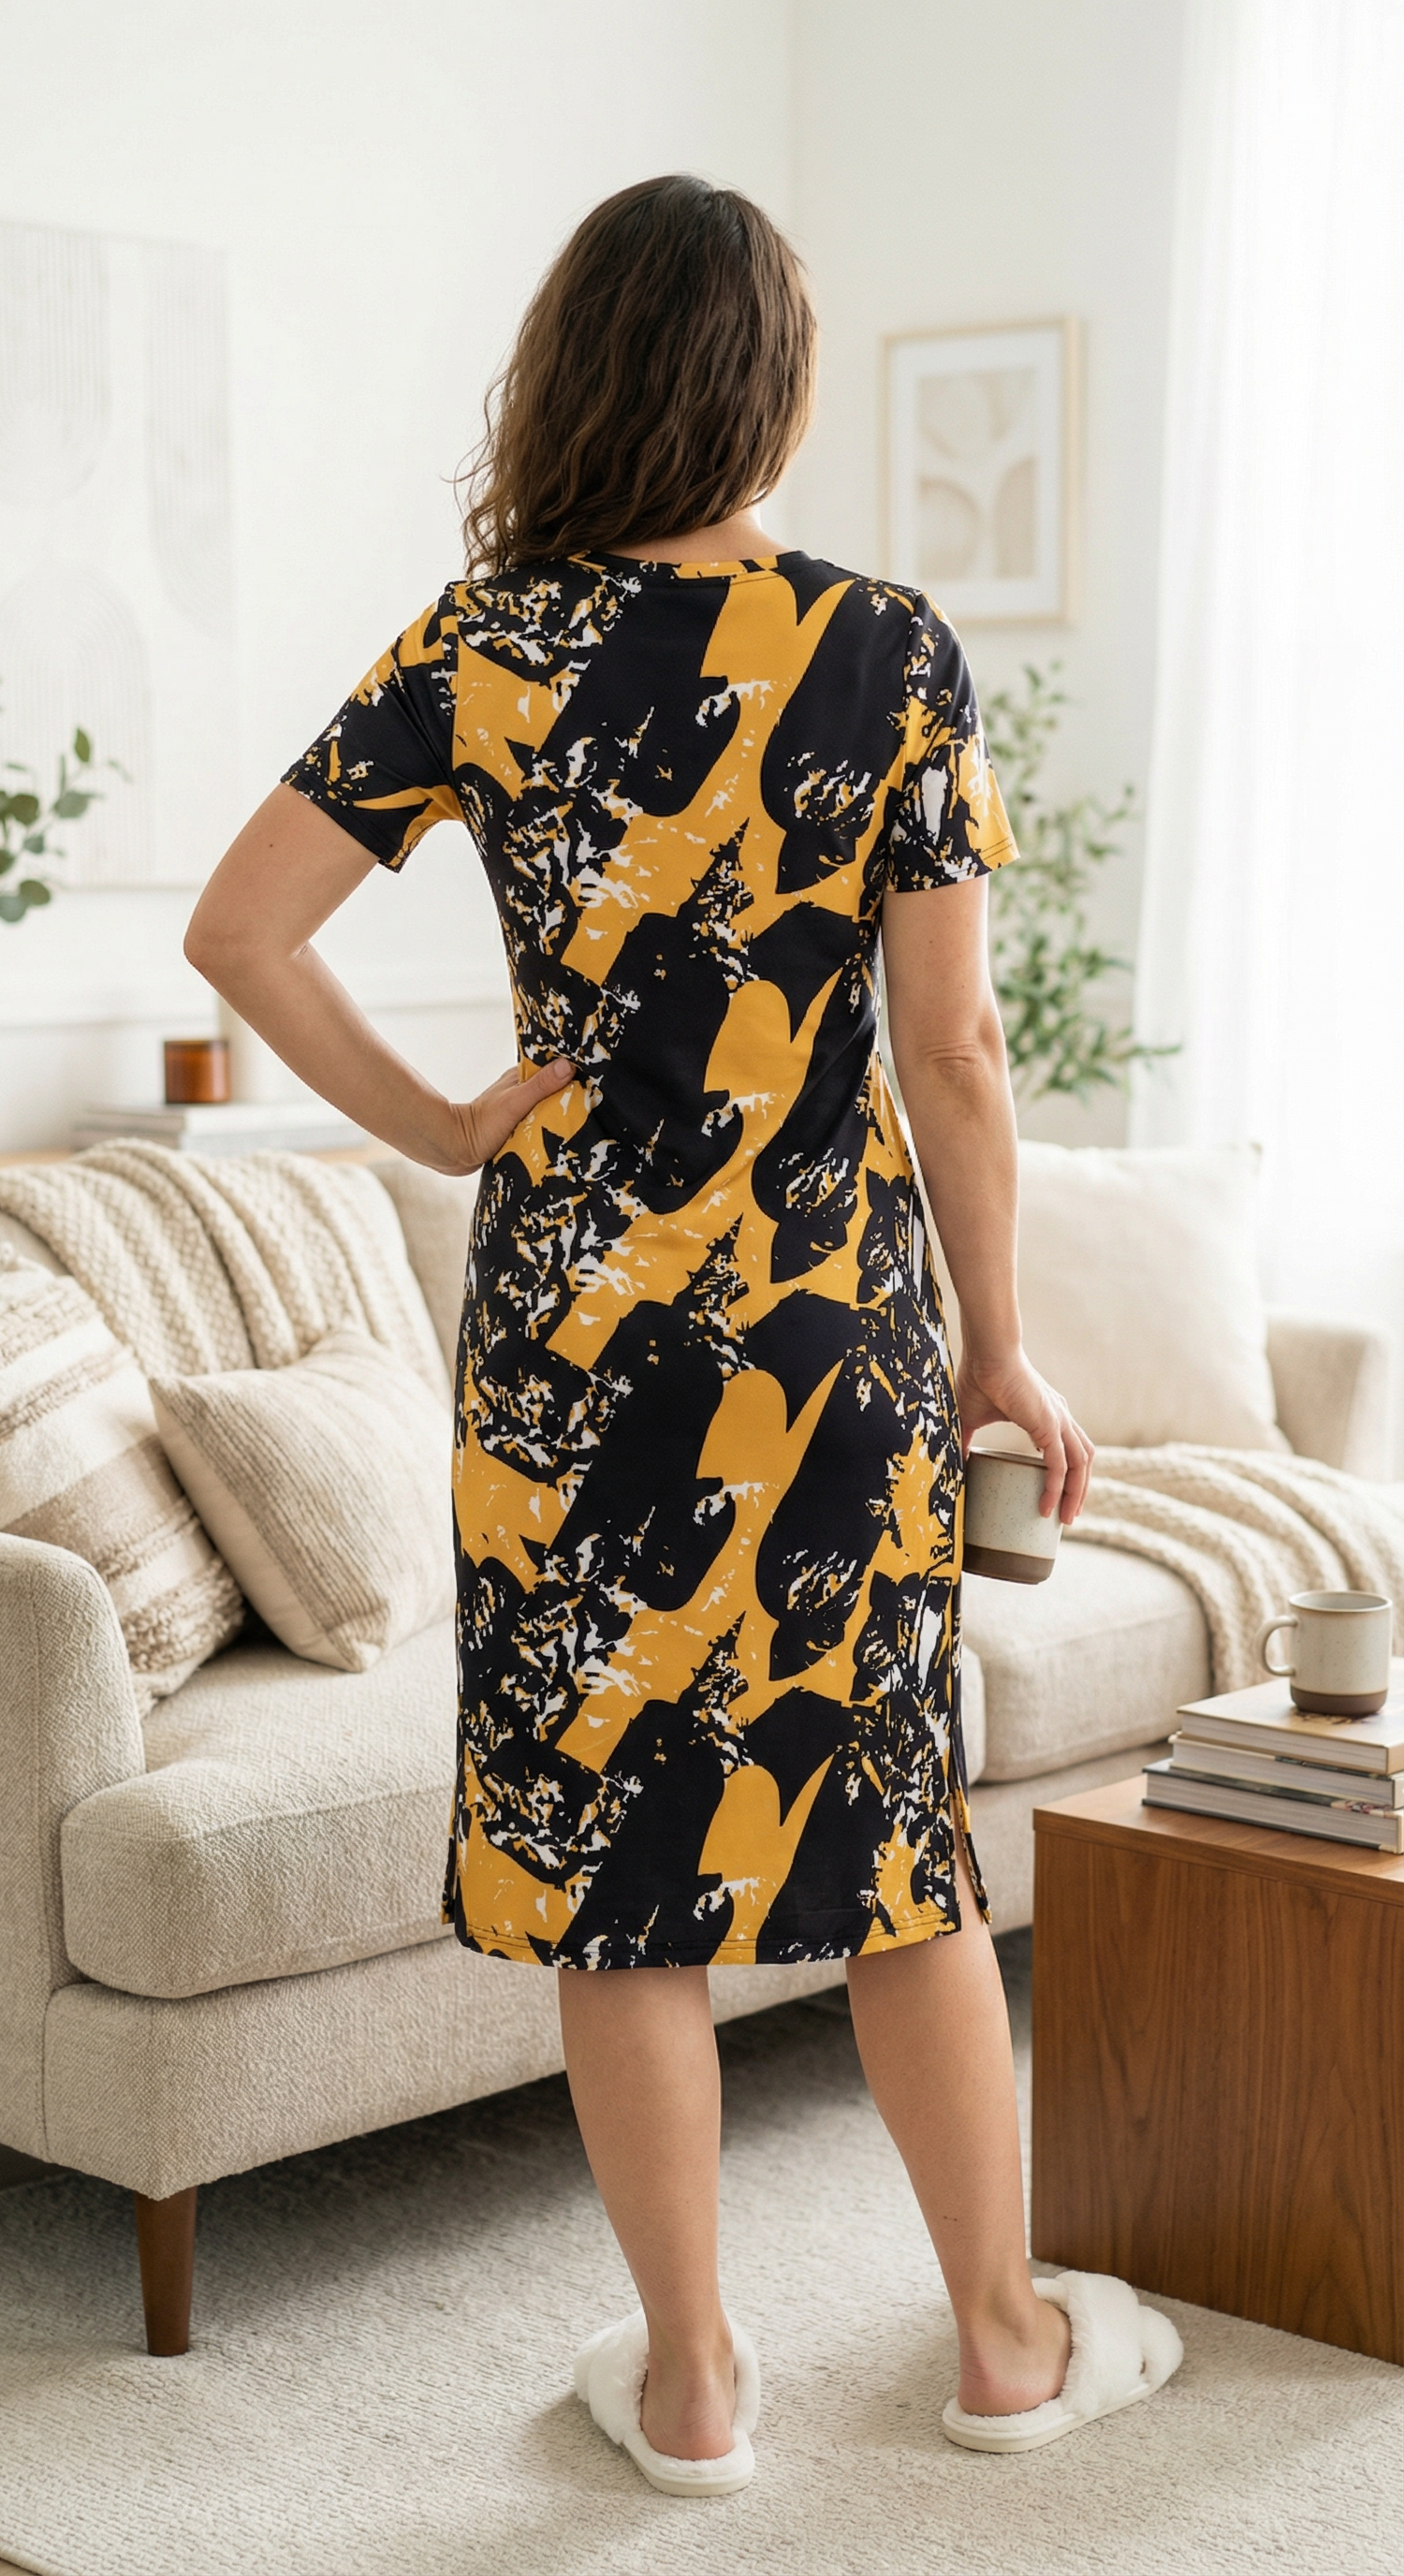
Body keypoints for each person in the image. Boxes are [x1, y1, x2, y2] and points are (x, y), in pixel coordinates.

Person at [185, 173, 1182, 2496]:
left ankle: (696, 2381)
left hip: (562, 1357)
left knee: (613, 1873)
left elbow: (243, 929)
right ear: (771, 384)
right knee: (901, 1851)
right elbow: (955, 1061)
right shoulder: (888, 647)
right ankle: (1007, 2345)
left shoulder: (491, 645)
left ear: (580, 371)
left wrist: (449, 1122)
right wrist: (1001, 1344)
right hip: (828, 1349)